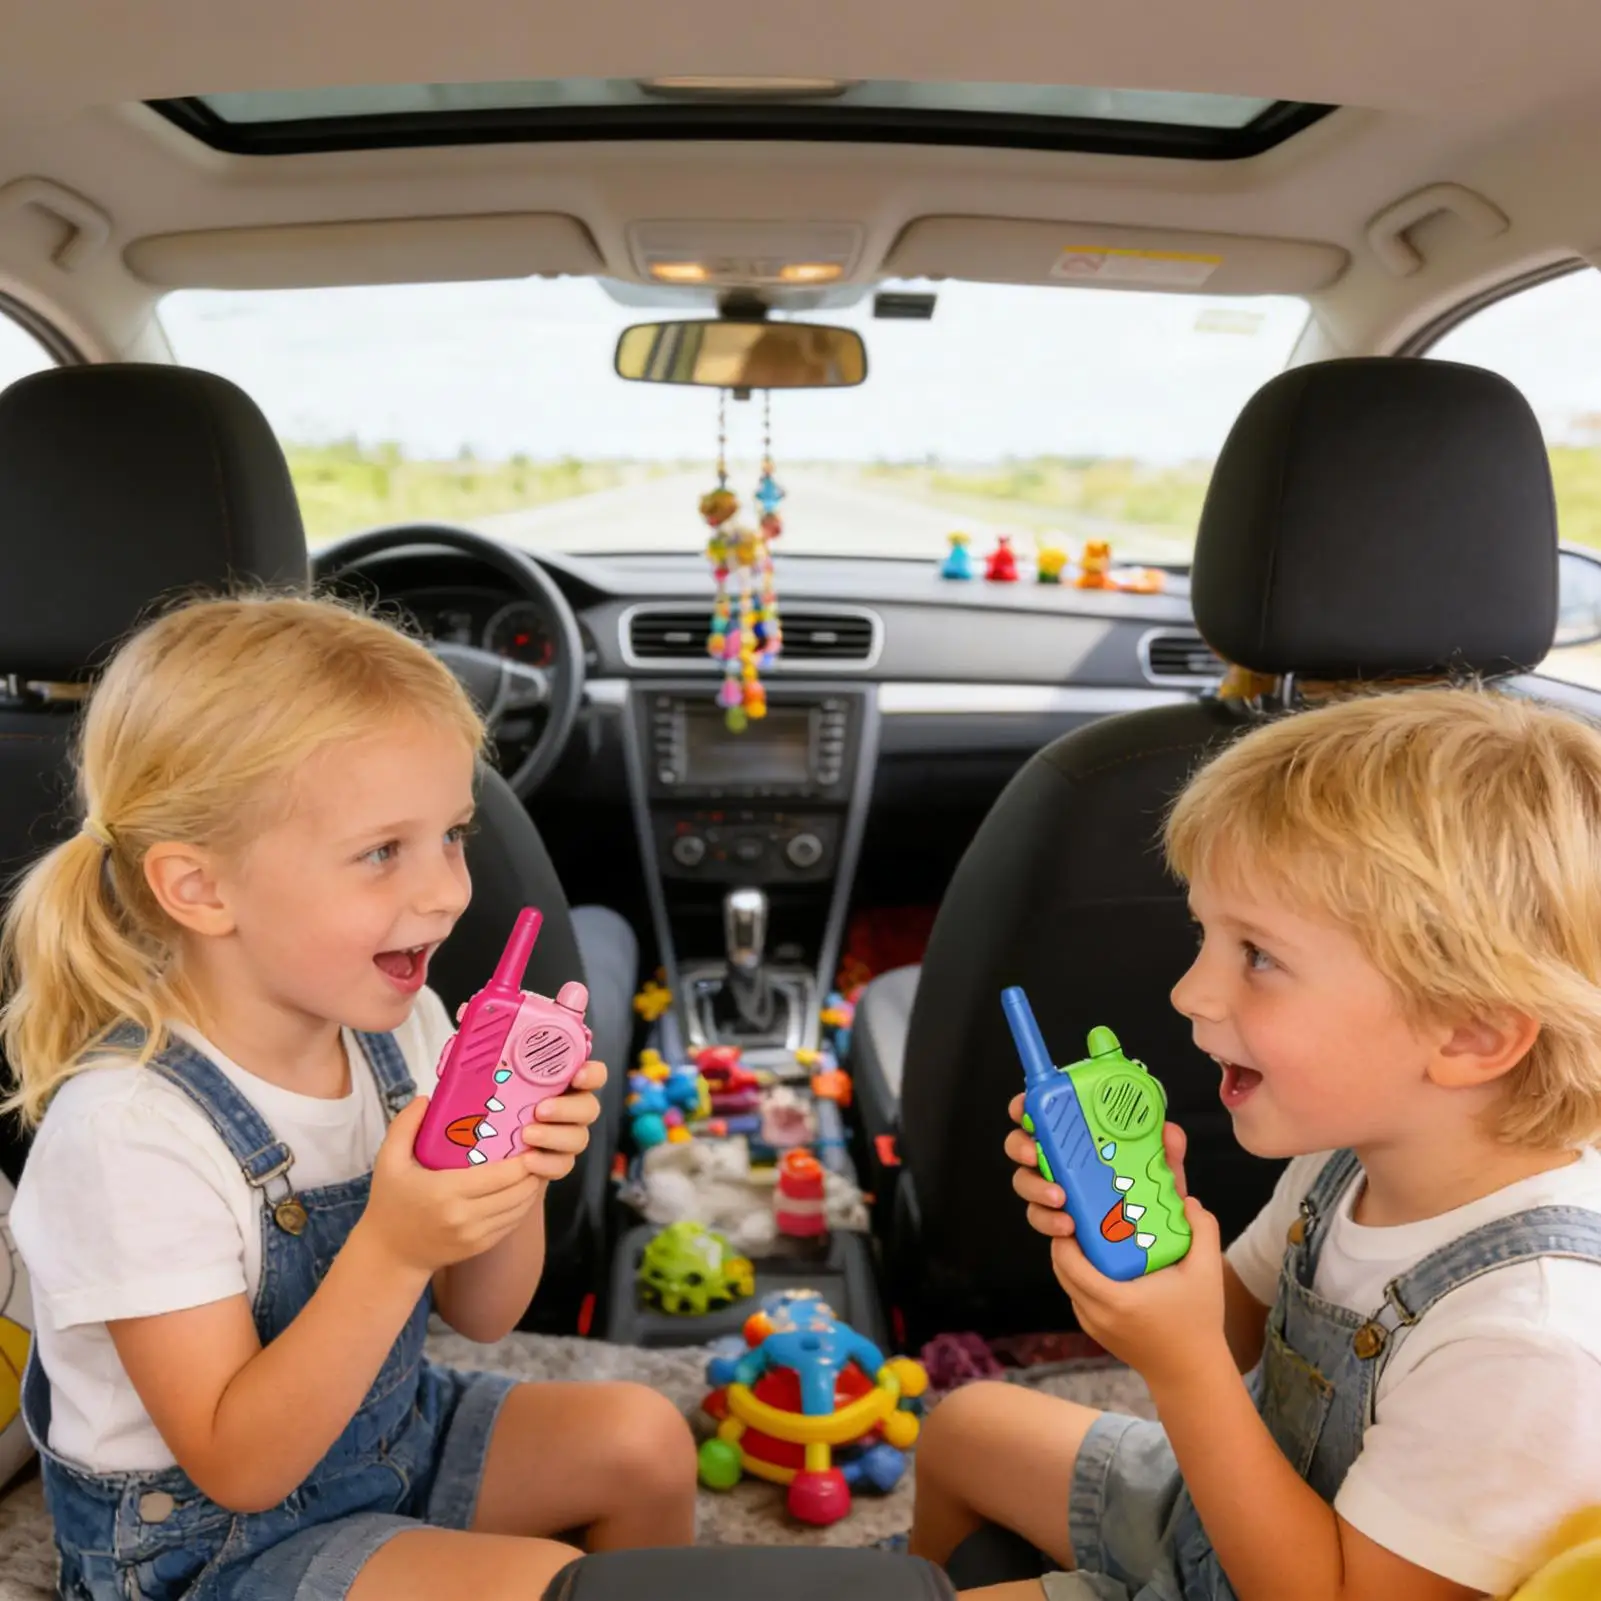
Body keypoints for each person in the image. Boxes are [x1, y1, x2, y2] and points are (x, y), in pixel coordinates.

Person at [1, 594, 698, 1601]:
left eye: (453, 833)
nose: (449, 890)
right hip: (202, 1546)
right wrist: (394, 1243)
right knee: (544, 1585)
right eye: (383, 851)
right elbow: (237, 1463)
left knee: (643, 1437)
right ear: (200, 888)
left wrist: (522, 1168)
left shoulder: (403, 1027)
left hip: (382, 1433)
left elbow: (484, 1310)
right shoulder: (128, 1131)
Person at [907, 687, 1601, 1601]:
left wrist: (1181, 1364)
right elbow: (1231, 1323)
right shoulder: (1351, 1154)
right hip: (1225, 1508)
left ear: (1469, 1034)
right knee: (965, 1426)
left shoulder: (1528, 1340)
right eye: (1206, 934)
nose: (1189, 991)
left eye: (1257, 955)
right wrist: (1148, 1254)